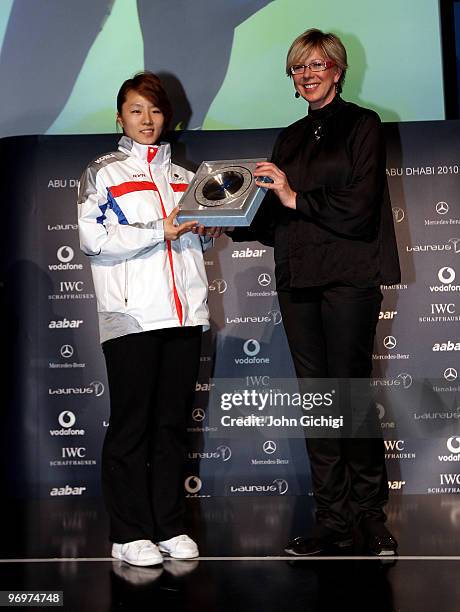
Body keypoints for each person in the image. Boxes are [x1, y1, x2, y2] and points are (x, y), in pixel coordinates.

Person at [230, 29, 400, 556]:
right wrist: (223, 221)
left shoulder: (364, 125)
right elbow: (276, 214)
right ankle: (332, 518)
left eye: (316, 64)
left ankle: (369, 517)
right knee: (319, 402)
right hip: (299, 279)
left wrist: (292, 193)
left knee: (349, 396)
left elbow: (358, 206)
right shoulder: (289, 138)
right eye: (297, 68)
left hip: (349, 279)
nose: (306, 75)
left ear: (337, 69)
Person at [78, 71, 221, 566]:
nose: (146, 119)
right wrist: (160, 228)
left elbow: (193, 242)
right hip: (132, 316)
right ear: (119, 117)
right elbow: (95, 240)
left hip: (183, 316)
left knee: (171, 426)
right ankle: (127, 531)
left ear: (169, 117)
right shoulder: (105, 172)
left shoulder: (186, 177)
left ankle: (168, 525)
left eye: (155, 110)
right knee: (132, 425)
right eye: (136, 110)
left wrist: (203, 232)